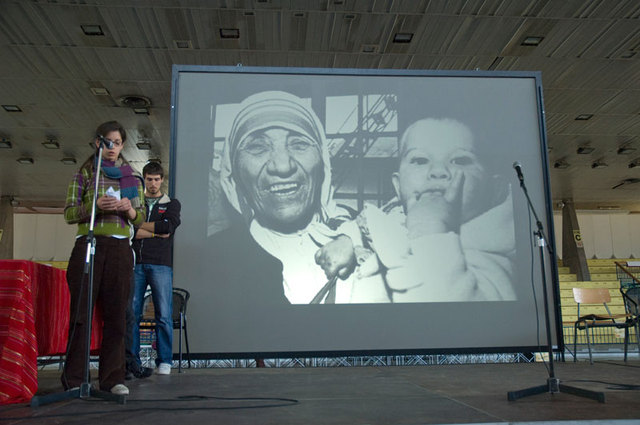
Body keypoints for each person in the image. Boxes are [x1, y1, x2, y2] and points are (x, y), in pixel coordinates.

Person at [217, 90, 387, 304]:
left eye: (299, 144)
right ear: (234, 170)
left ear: (322, 161)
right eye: (257, 147)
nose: (283, 166)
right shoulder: (216, 259)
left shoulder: (370, 232)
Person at [339, 117, 517, 302]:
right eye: (420, 160)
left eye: (459, 160)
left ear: (495, 190)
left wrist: (431, 231)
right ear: (398, 186)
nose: (437, 171)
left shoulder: (496, 261)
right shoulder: (393, 229)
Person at [62, 120, 145, 396]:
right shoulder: (85, 174)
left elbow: (140, 217)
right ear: (98, 143)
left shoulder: (130, 176)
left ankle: (112, 379)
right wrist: (95, 205)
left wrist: (128, 210)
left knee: (117, 316)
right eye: (108, 142)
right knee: (81, 315)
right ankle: (75, 379)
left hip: (120, 248)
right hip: (89, 246)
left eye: (117, 143)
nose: (112, 148)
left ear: (122, 145)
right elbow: (69, 213)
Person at [130, 162, 181, 375]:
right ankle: (132, 361)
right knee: (133, 314)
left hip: (161, 264)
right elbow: (130, 230)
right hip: (135, 263)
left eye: (156, 179)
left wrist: (140, 226)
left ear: (162, 180)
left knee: (164, 314)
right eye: (149, 179)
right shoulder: (136, 203)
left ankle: (165, 361)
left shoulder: (171, 203)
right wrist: (154, 232)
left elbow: (167, 228)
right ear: (144, 179)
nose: (153, 183)